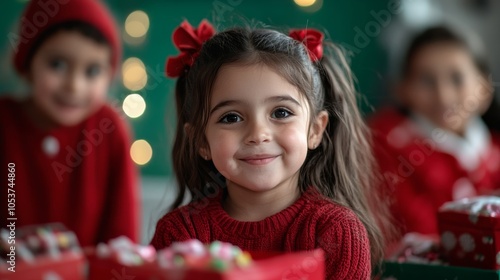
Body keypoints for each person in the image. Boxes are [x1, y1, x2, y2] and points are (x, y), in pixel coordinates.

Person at [150, 20, 385, 279]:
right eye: (231, 118)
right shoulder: (179, 234)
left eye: (281, 112)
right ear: (201, 141)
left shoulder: (337, 232)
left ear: (315, 130)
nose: (258, 134)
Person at [0, 0, 140, 247]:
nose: (74, 85)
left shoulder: (110, 129)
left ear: (109, 75)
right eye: (57, 64)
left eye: (92, 71)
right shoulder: (5, 121)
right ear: (28, 63)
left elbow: (122, 238)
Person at [370, 26, 500, 239]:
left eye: (457, 79)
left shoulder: (495, 152)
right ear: (402, 89)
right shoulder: (382, 146)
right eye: (426, 80)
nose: (443, 96)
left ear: (484, 90)